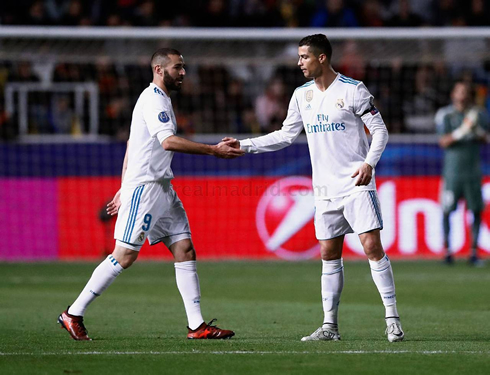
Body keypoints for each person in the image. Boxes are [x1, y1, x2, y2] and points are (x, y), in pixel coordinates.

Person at [224, 34, 404, 342]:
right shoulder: (301, 95)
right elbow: (284, 135)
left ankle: (392, 319)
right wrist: (246, 145)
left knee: (372, 247)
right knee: (328, 252)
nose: (298, 63)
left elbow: (380, 131)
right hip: (323, 189)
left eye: (304, 57)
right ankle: (329, 326)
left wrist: (369, 164)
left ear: (322, 58)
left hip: (356, 182)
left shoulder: (353, 90)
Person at [58, 48, 243, 341]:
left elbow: (134, 143)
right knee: (125, 255)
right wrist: (213, 151)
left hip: (162, 188)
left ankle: (197, 327)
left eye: (183, 67)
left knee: (185, 249)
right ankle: (73, 313)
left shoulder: (158, 99)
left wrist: (121, 185)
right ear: (159, 69)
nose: (183, 73)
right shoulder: (154, 99)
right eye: (177, 68)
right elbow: (168, 142)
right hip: (145, 188)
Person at [435, 80, 489, 266]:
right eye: (459, 91)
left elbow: (486, 138)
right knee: (447, 210)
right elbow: (443, 141)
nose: (462, 95)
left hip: (473, 172)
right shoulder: (445, 115)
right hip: (452, 172)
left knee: (476, 210)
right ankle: (447, 251)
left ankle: (474, 252)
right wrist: (462, 131)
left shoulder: (479, 114)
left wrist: (477, 129)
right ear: (453, 94)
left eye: (465, 91)